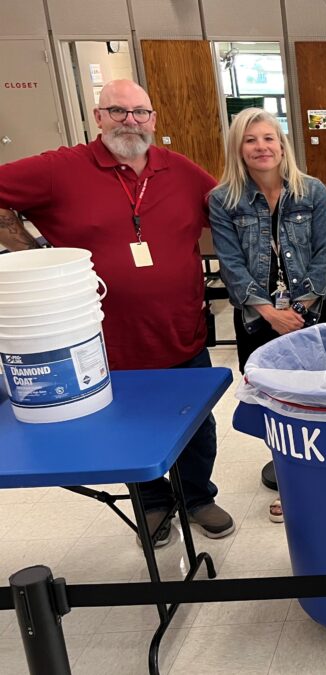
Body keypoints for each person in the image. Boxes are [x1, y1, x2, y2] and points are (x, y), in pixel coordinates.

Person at [0, 79, 234, 545]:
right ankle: (151, 503)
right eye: (119, 111)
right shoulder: (59, 169)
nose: (131, 121)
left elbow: (230, 210)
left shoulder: (181, 171)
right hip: (102, 338)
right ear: (98, 116)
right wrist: (35, 255)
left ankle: (196, 497)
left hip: (178, 327)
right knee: (129, 425)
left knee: (195, 419)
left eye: (140, 112)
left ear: (153, 119)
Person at [209, 108, 326, 523]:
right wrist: (270, 313)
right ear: (238, 149)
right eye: (251, 140)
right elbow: (231, 264)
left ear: (282, 145)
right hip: (257, 319)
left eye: (269, 138)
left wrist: (298, 309)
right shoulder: (223, 200)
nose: (262, 147)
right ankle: (293, 477)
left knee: (322, 397)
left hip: (312, 313)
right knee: (278, 402)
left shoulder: (312, 191)